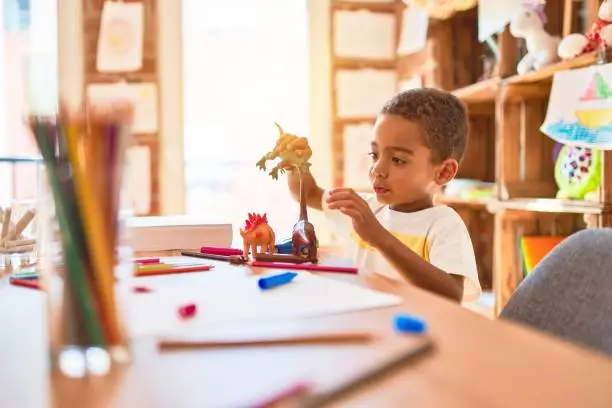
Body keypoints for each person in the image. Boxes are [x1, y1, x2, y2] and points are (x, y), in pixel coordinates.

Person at [284, 88, 481, 303]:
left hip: (412, 332)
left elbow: (451, 294)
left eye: (398, 160)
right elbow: (309, 193)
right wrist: (296, 164)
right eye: (375, 154)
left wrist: (378, 237)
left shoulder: (443, 225)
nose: (378, 169)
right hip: (364, 324)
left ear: (443, 172)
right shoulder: (363, 209)